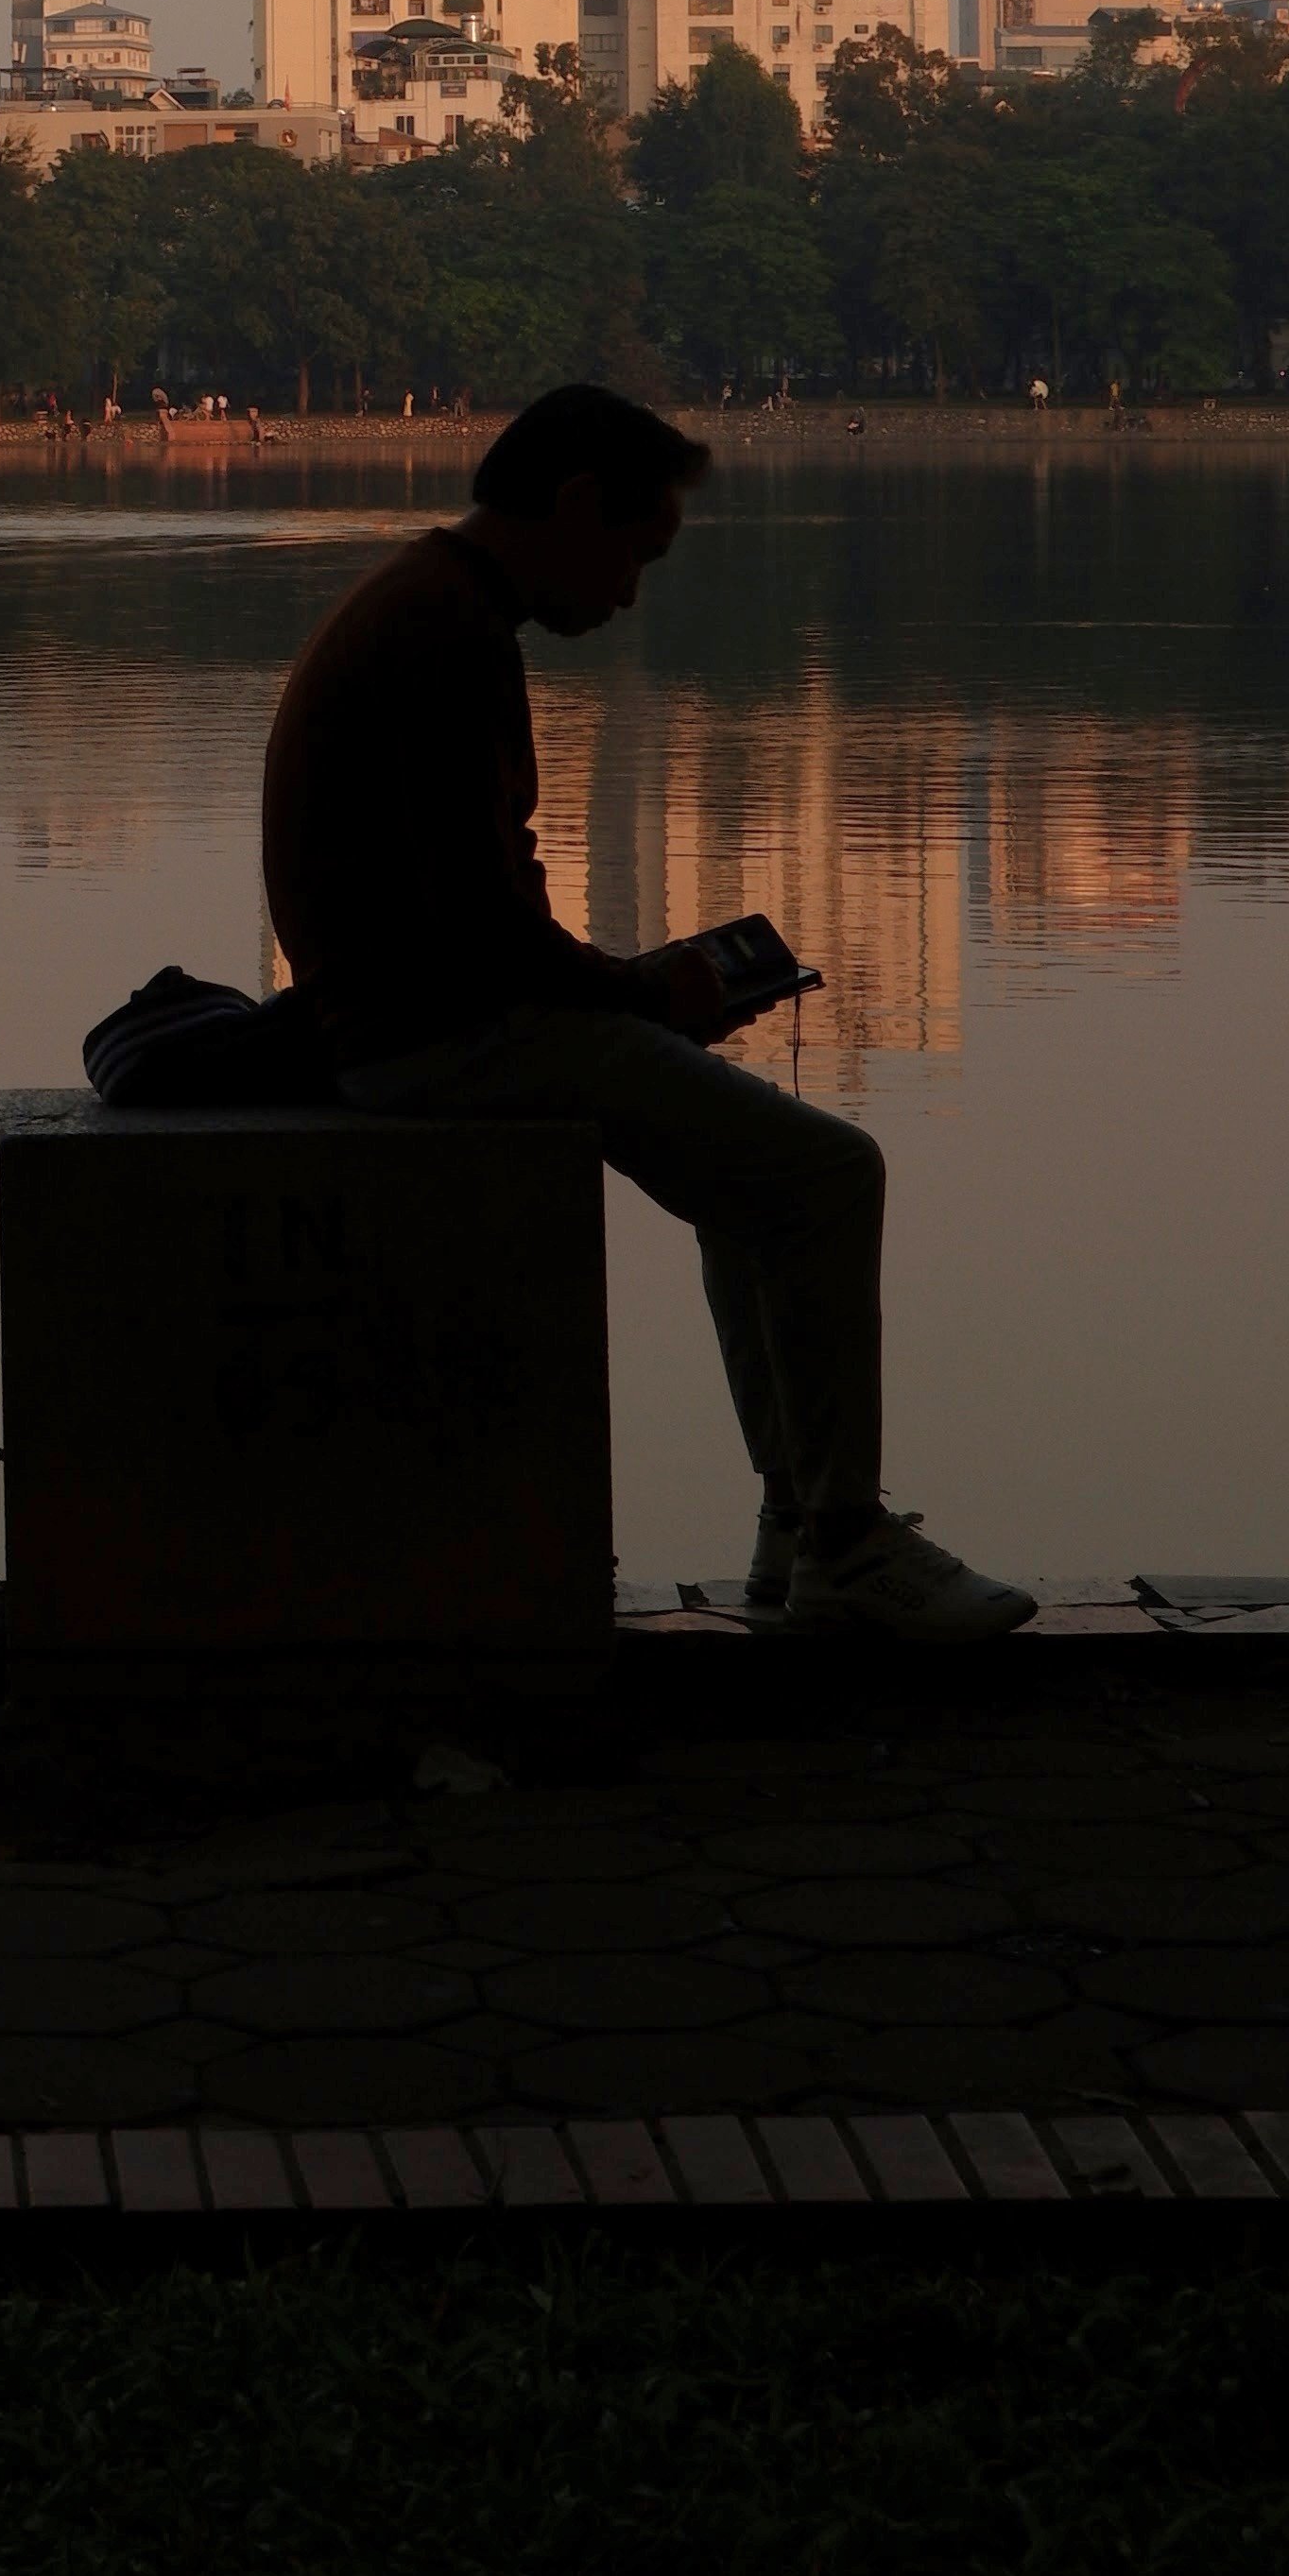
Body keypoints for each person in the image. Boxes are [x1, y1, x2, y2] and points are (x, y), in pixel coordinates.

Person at [261, 382, 1031, 1642]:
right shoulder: (452, 635)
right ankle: (843, 1539)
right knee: (831, 1174)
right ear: (573, 508)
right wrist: (636, 995)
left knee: (755, 1183)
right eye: (636, 552)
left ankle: (798, 1527)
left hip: (404, 1019)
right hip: (438, 1042)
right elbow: (486, 926)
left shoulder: (425, 604)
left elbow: (477, 909)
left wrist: (634, 993)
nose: (629, 594)